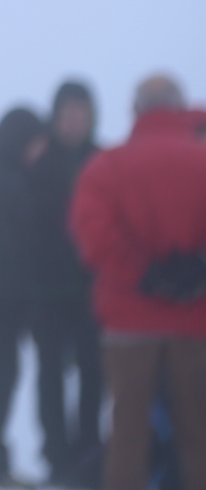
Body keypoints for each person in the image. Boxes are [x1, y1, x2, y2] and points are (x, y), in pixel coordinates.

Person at [69, 74, 206, 490]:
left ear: (136, 109)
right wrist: (196, 270)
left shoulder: (105, 167)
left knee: (128, 436)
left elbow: (94, 236)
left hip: (128, 324)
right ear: (180, 107)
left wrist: (145, 275)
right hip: (195, 321)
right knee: (199, 437)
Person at [0, 106, 50, 486]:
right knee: (4, 375)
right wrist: (15, 294)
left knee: (4, 376)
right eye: (35, 142)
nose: (40, 150)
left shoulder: (6, 174)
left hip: (2, 296)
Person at [34, 79, 105, 488]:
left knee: (93, 372)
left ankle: (89, 451)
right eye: (67, 115)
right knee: (50, 375)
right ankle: (56, 455)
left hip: (92, 290)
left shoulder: (102, 160)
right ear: (56, 118)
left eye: (81, 115)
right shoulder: (39, 162)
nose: (74, 122)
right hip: (47, 291)